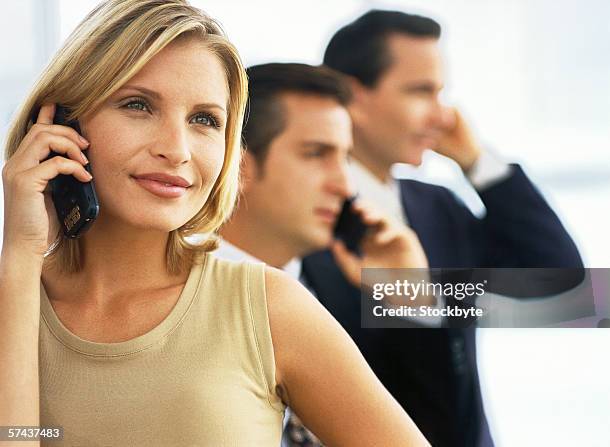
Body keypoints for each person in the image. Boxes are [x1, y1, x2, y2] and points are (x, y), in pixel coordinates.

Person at [0, 2, 430, 446]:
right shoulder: (15, 301)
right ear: (58, 124)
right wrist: (19, 259)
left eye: (204, 120)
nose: (177, 149)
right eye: (138, 105)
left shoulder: (271, 308)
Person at [300, 10, 585, 447]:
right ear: (353, 96)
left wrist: (478, 162)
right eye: (421, 92)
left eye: (442, 93)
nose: (444, 116)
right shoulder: (300, 217)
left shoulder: (438, 207)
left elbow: (562, 290)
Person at [218, 62, 434, 447]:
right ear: (239, 165)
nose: (345, 186)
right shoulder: (172, 295)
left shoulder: (348, 279)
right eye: (316, 153)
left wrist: (412, 299)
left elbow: (448, 425)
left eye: (345, 158)